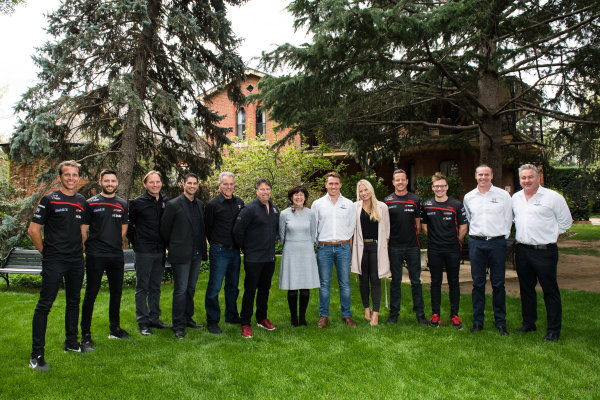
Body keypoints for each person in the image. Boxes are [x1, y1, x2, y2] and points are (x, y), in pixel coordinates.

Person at [28, 160, 91, 371]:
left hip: (75, 261)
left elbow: (83, 230)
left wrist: (80, 247)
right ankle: (36, 355)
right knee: (45, 305)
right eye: (67, 175)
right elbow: (33, 230)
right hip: (54, 260)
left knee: (74, 302)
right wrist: (46, 252)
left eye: (75, 175)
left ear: (78, 177)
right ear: (60, 177)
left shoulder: (82, 201)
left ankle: (72, 344)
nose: (71, 178)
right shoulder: (49, 199)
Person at [512, 164, 572, 342]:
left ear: (538, 178)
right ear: (520, 179)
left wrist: (549, 235)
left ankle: (553, 329)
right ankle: (528, 323)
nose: (527, 181)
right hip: (522, 250)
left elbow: (566, 223)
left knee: (550, 290)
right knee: (526, 289)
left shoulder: (553, 197)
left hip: (545, 251)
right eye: (523, 178)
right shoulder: (516, 198)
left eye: (530, 177)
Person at [80, 169, 130, 350]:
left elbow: (123, 229)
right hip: (96, 254)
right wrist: (88, 247)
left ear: (117, 183)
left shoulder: (123, 204)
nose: (110, 184)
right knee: (91, 294)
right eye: (106, 181)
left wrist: (114, 243)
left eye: (113, 181)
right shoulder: (90, 203)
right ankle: (85, 334)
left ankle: (114, 329)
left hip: (116, 254)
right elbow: (83, 230)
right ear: (100, 182)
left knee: (116, 292)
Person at [463, 164, 512, 336]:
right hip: (477, 243)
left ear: (492, 176)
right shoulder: (469, 197)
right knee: (478, 284)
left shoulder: (503, 195)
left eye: (486, 174)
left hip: (497, 243)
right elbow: (469, 218)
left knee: (498, 283)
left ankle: (501, 323)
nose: (483, 177)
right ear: (475, 176)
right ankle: (478, 322)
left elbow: (508, 218)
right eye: (480, 175)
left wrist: (502, 236)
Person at [160, 173, 208, 339]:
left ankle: (188, 319)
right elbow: (165, 229)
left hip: (196, 253)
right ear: (183, 184)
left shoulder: (200, 204)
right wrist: (173, 246)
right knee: (180, 290)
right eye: (189, 183)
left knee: (191, 288)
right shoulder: (173, 204)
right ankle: (178, 325)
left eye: (195, 183)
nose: (192, 186)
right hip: (180, 254)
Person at [233, 178, 280, 338]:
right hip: (253, 258)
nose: (265, 191)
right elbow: (238, 232)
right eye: (262, 189)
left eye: (267, 189)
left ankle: (261, 318)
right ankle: (245, 323)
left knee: (264, 290)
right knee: (250, 291)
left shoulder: (274, 210)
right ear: (256, 191)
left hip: (269, 258)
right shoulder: (249, 209)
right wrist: (247, 249)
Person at [421, 172, 468, 329]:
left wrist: (453, 241)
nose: (439, 189)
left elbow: (463, 227)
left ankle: (455, 316)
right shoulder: (427, 205)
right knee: (435, 282)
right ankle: (435, 316)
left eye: (442, 186)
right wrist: (437, 240)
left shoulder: (456, 205)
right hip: (434, 249)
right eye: (436, 186)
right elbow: (424, 227)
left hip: (452, 250)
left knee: (454, 282)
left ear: (447, 187)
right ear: (433, 188)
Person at [127, 170, 170, 336]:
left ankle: (154, 318)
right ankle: (143, 322)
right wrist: (137, 241)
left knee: (155, 287)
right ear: (145, 184)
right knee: (142, 287)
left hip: (160, 250)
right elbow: (129, 226)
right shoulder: (137, 203)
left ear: (161, 183)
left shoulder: (166, 201)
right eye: (151, 182)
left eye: (157, 181)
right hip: (143, 250)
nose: (155, 185)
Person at [312, 172, 357, 328]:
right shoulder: (317, 204)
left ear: (340, 185)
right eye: (330, 183)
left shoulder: (349, 204)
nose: (333, 186)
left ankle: (347, 315)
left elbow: (352, 226)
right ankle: (324, 315)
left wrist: (348, 246)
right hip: (324, 247)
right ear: (326, 185)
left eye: (336, 183)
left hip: (343, 247)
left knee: (344, 283)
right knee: (324, 283)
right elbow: (314, 227)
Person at [384, 169, 427, 326]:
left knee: (416, 281)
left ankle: (420, 314)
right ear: (393, 182)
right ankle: (394, 314)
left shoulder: (415, 200)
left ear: (407, 181)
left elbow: (417, 223)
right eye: (397, 180)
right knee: (395, 281)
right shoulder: (387, 201)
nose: (400, 182)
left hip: (412, 246)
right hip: (394, 247)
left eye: (403, 179)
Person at [204, 171, 244, 335]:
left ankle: (232, 315)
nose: (229, 187)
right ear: (219, 185)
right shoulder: (213, 205)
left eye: (231, 184)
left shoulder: (240, 202)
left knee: (233, 286)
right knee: (214, 286)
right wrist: (215, 243)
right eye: (225, 184)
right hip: (219, 250)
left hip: (235, 251)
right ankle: (212, 321)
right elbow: (208, 228)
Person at [350, 179, 390, 326]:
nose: (364, 193)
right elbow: (351, 231)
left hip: (376, 248)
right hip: (360, 247)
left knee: (375, 279)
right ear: (358, 193)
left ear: (371, 190)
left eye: (366, 190)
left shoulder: (382, 207)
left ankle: (376, 314)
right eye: (361, 191)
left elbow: (387, 232)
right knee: (363, 279)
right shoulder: (355, 207)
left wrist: (384, 253)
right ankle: (366, 308)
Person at [278, 186, 320, 327]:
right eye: (295, 195)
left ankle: (302, 317)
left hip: (306, 251)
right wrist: (290, 246)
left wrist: (306, 245)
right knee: (292, 287)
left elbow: (313, 233)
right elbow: (282, 235)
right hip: (291, 251)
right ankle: (293, 318)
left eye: (301, 195)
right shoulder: (284, 214)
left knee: (305, 288)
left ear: (305, 197)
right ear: (291, 197)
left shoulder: (310, 213)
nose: (298, 197)